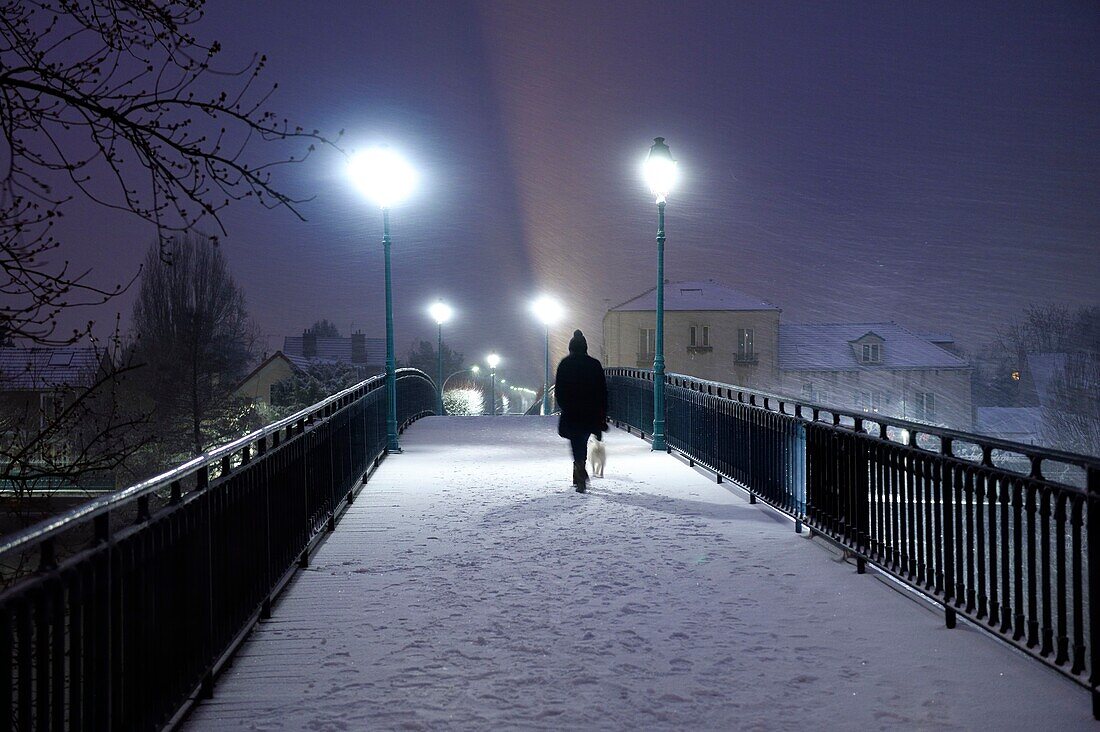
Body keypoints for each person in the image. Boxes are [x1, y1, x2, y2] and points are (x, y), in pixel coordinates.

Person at [554, 329, 608, 492]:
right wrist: (602, 413)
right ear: (585, 348)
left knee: (575, 442)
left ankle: (579, 471)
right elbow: (602, 392)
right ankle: (580, 470)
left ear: (571, 348)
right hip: (589, 412)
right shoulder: (594, 364)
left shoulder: (565, 364)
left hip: (571, 411)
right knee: (583, 441)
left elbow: (559, 390)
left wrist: (565, 406)